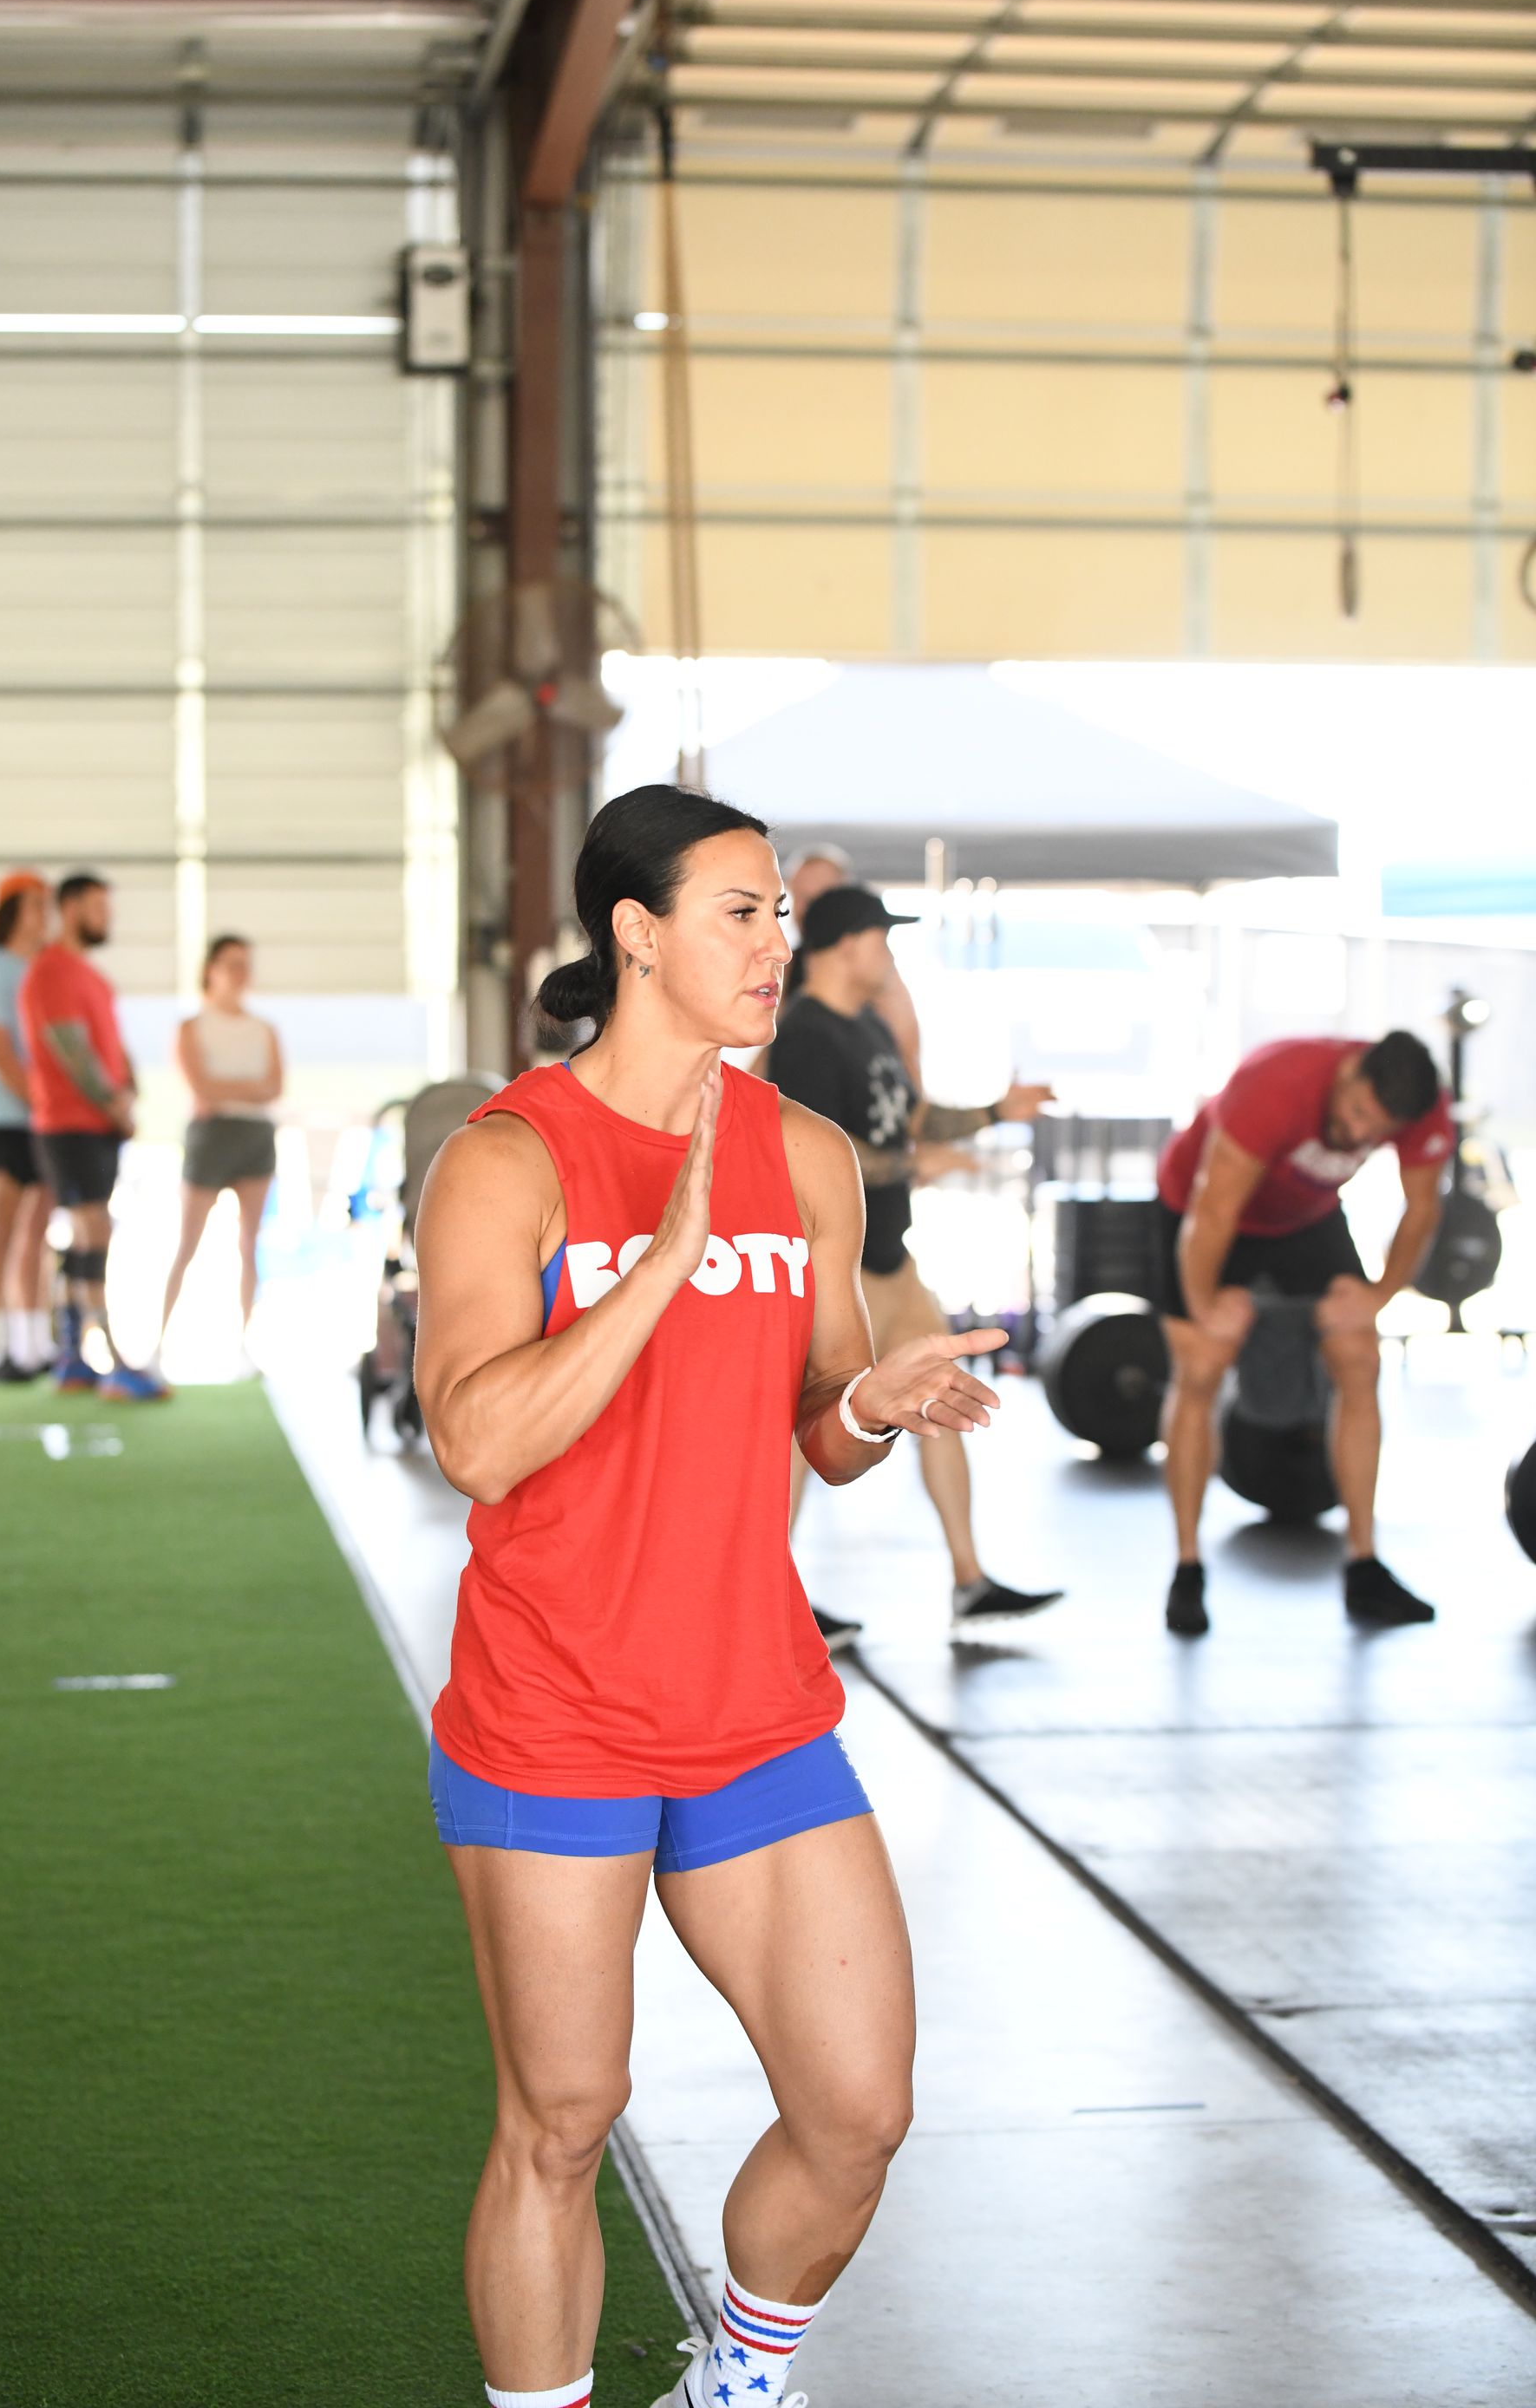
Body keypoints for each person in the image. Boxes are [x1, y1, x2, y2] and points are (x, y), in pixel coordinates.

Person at [413, 784, 1004, 2408]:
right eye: (740, 910)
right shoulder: (507, 1157)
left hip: (751, 1704)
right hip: (553, 1711)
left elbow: (820, 1427)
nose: (775, 942)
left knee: (857, 2110)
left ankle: (736, 2382)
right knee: (561, 2119)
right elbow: (473, 1439)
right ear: (640, 932)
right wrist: (658, 1267)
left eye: (778, 915)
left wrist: (872, 1407)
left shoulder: (807, 1157)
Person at [768, 883, 1061, 1635]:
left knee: (946, 1397)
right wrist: (919, 1164)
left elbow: (912, 1117)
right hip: (837, 1265)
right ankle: (768, 1595)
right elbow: (819, 1158)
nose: (891, 954)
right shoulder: (802, 1034)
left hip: (890, 1258)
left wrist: (996, 1112)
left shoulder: (867, 1026)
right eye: (883, 938)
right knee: (807, 1427)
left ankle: (969, 1578)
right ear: (850, 944)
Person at [1153, 1029, 1453, 1636]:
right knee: (1203, 1365)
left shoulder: (1420, 1105)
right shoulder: (1277, 1085)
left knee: (1358, 1355)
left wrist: (1377, 1296)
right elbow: (1214, 1208)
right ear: (1349, 1074)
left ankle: (1364, 1567)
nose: (1365, 1136)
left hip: (1304, 1215)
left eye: (1381, 1130)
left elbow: (1421, 1209)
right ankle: (1187, 1569)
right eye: (1359, 1114)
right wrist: (1207, 1305)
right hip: (1198, 1209)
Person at [18, 870, 170, 1402]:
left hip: (99, 1125)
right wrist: (112, 1103)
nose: (107, 918)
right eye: (99, 907)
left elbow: (114, 1050)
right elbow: (70, 1049)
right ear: (72, 907)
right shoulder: (51, 972)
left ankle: (75, 1359)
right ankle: (111, 1361)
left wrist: (128, 1095)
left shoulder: (93, 979)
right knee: (92, 1234)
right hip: (70, 1124)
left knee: (86, 1239)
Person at [155, 933, 282, 1371]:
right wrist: (245, 1090)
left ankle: (246, 1343)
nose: (239, 973)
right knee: (187, 1243)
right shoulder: (192, 1027)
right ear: (211, 969)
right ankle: (158, 1344)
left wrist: (231, 1091)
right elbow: (202, 1088)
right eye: (230, 964)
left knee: (250, 1243)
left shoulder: (264, 1030)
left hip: (255, 1137)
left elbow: (273, 1089)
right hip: (210, 1138)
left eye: (245, 964)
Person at [0, 870, 56, 1380]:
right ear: (12, 912)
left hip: (45, 1120)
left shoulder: (46, 968)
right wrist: (37, 1100)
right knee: (4, 1224)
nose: (44, 916)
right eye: (35, 906)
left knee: (37, 1232)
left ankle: (33, 1344)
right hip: (4, 1118)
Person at [783, 843, 921, 1087]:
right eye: (799, 897)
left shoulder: (880, 974)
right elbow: (771, 1054)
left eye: (819, 898)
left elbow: (908, 1061)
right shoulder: (787, 966)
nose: (808, 910)